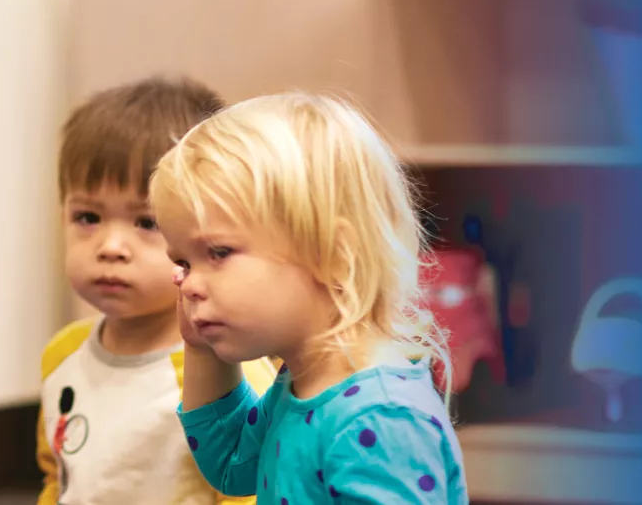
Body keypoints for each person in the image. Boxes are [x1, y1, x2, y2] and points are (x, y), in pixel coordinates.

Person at [153, 93, 467, 504]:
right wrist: (201, 351)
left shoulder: (378, 415)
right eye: (184, 263)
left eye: (219, 253)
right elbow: (231, 463)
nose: (190, 285)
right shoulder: (305, 383)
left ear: (335, 256)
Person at [36, 77, 276, 505]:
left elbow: (250, 492)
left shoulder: (230, 370)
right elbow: (59, 477)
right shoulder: (62, 355)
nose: (110, 247)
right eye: (88, 217)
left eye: (146, 223)